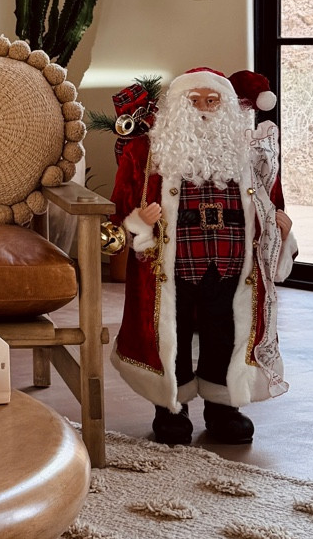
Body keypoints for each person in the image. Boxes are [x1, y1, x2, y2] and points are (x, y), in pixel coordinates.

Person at [112, 66, 296, 447]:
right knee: (171, 336)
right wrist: (139, 222)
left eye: (212, 101)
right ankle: (171, 408)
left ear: (227, 106)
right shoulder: (146, 152)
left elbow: (269, 203)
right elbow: (119, 218)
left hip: (232, 264)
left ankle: (223, 407)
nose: (203, 109)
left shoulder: (249, 153)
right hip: (173, 267)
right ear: (177, 106)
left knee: (226, 333)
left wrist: (281, 226)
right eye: (193, 101)